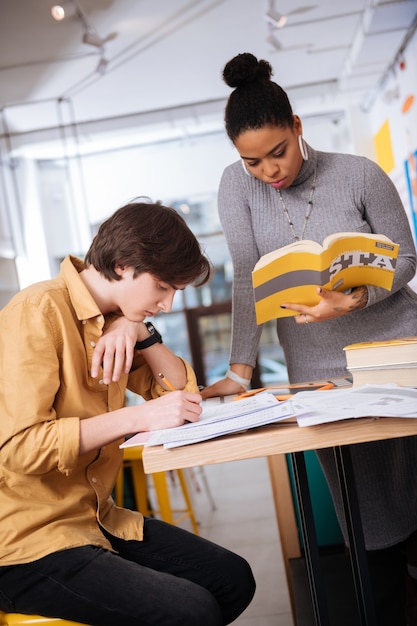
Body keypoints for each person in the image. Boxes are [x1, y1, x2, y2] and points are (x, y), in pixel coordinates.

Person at [201, 52, 417, 625]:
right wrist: (240, 370)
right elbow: (247, 277)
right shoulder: (237, 187)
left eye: (279, 152)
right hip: (320, 365)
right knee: (365, 513)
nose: (270, 170)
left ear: (298, 128)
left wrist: (358, 297)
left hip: (398, 348)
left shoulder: (358, 172)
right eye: (253, 161)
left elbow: (408, 258)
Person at [0, 200, 255, 626]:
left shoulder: (117, 319)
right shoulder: (37, 312)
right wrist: (139, 417)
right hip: (26, 543)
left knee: (233, 580)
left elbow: (182, 393)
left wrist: (137, 330)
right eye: (162, 288)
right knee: (192, 610)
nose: (169, 305)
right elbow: (17, 449)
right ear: (122, 265)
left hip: (95, 518)